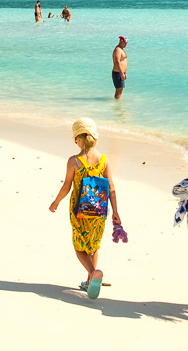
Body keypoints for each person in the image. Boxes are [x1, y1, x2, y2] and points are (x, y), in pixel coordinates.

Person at [49, 118, 121, 296]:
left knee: (79, 247)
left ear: (79, 140)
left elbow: (66, 186)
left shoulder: (74, 161)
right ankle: (90, 282)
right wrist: (116, 212)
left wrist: (55, 202)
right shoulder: (104, 160)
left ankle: (92, 273)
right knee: (94, 245)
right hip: (100, 210)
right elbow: (111, 188)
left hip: (79, 211)